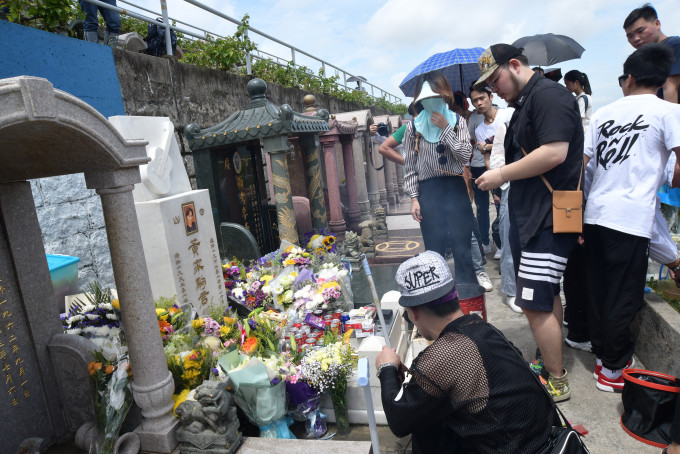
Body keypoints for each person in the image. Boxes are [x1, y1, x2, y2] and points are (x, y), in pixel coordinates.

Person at [475, 44, 583, 402]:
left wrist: (500, 174)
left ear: (516, 65)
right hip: (532, 214)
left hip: (546, 218)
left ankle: (557, 379)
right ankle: (548, 360)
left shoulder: (549, 96)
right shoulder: (526, 102)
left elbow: (555, 152)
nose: (494, 90)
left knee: (535, 300)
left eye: (495, 80)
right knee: (545, 293)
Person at [375, 251, 559, 453]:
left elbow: (398, 421)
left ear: (414, 312)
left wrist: (386, 369)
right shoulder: (484, 329)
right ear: (456, 295)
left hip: (522, 448)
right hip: (547, 440)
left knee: (424, 428)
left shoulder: (443, 355)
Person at [583, 43, 680, 392]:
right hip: (630, 219)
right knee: (623, 296)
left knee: (598, 289)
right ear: (660, 78)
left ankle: (601, 357)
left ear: (631, 76)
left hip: (594, 215)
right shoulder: (669, 112)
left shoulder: (604, 113)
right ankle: (612, 369)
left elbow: (582, 168)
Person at [404, 71, 477, 285]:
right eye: (425, 99)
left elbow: (464, 155)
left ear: (444, 96)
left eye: (435, 97)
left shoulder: (458, 122)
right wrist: (414, 198)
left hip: (455, 188)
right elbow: (409, 165)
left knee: (462, 245)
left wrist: (445, 128)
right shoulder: (413, 127)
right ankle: (439, 296)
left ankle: (467, 293)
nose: (431, 102)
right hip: (428, 191)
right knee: (434, 248)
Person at [475, 83, 520, 312]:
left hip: (527, 179)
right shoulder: (481, 129)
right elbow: (491, 160)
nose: (479, 103)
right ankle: (511, 291)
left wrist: (488, 147)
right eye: (475, 101)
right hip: (507, 182)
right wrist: (496, 189)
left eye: (482, 98)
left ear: (491, 97)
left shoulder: (510, 113)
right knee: (508, 235)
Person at [624, 3, 680, 103]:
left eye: (641, 31)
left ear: (657, 24)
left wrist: (669, 118)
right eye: (630, 36)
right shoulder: (644, 59)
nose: (636, 38)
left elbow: (670, 86)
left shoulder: (673, 44)